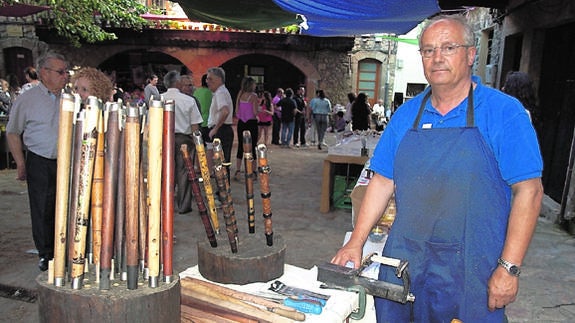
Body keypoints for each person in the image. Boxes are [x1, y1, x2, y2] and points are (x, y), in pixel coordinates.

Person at [331, 14, 543, 322]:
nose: (437, 57)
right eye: (428, 50)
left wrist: (509, 267)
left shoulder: (503, 113)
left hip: (472, 267)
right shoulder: (407, 115)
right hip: (406, 259)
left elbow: (530, 191)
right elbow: (382, 181)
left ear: (471, 54)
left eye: (448, 47)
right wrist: (355, 242)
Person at [6, 51, 70, 271]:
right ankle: (46, 253)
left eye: (66, 72)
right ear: (44, 73)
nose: (66, 76)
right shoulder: (28, 99)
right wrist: (21, 163)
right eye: (61, 72)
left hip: (66, 161)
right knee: (42, 207)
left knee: (66, 205)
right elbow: (13, 132)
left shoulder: (70, 97)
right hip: (39, 161)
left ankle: (66, 249)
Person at [162, 70, 203, 214]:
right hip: (184, 139)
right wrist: (197, 143)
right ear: (178, 83)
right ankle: (183, 205)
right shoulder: (188, 100)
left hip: (164, 138)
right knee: (185, 172)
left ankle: (164, 203)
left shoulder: (158, 99)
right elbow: (194, 125)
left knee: (165, 171)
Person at [206, 67, 234, 181]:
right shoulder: (221, 92)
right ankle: (223, 190)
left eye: (210, 79)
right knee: (222, 162)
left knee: (221, 162)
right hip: (223, 129)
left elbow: (225, 111)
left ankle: (222, 192)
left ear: (218, 79)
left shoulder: (220, 93)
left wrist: (216, 128)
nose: (207, 81)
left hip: (222, 130)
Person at [233, 77, 259, 181]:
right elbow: (255, 112)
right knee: (252, 147)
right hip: (251, 122)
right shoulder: (254, 96)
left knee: (240, 146)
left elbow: (236, 111)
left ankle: (238, 170)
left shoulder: (240, 94)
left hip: (241, 122)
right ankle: (253, 171)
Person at [193, 74, 213, 142]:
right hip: (208, 122)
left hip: (197, 123)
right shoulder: (211, 92)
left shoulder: (196, 91)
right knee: (209, 145)